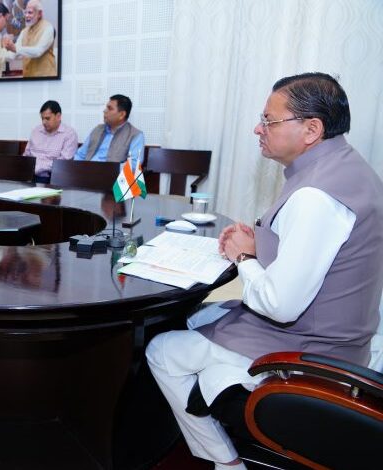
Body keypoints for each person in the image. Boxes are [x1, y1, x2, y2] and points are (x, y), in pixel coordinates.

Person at [146, 73, 383, 470]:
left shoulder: (316, 196)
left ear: (311, 129)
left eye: (269, 121)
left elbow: (280, 305)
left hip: (314, 350)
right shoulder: (347, 167)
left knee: (162, 349)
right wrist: (262, 244)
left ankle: (226, 463)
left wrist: (244, 257)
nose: (258, 129)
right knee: (200, 316)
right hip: (344, 333)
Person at [74, 94, 144, 167]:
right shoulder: (97, 129)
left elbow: (134, 164)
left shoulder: (135, 135)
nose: (104, 111)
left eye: (110, 108)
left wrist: (108, 170)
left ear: (122, 115)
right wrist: (79, 169)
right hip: (86, 171)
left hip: (112, 173)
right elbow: (80, 155)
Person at [23, 100, 77, 183]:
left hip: (52, 178)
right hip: (29, 175)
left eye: (47, 118)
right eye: (42, 118)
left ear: (58, 116)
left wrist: (39, 168)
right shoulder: (36, 131)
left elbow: (63, 162)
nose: (44, 122)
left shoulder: (69, 134)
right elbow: (27, 154)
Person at [5, 0, 56, 77]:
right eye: (25, 12)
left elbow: (38, 51)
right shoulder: (24, 32)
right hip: (28, 79)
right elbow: (13, 54)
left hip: (46, 80)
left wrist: (15, 48)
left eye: (30, 12)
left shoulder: (48, 28)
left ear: (39, 14)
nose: (26, 16)